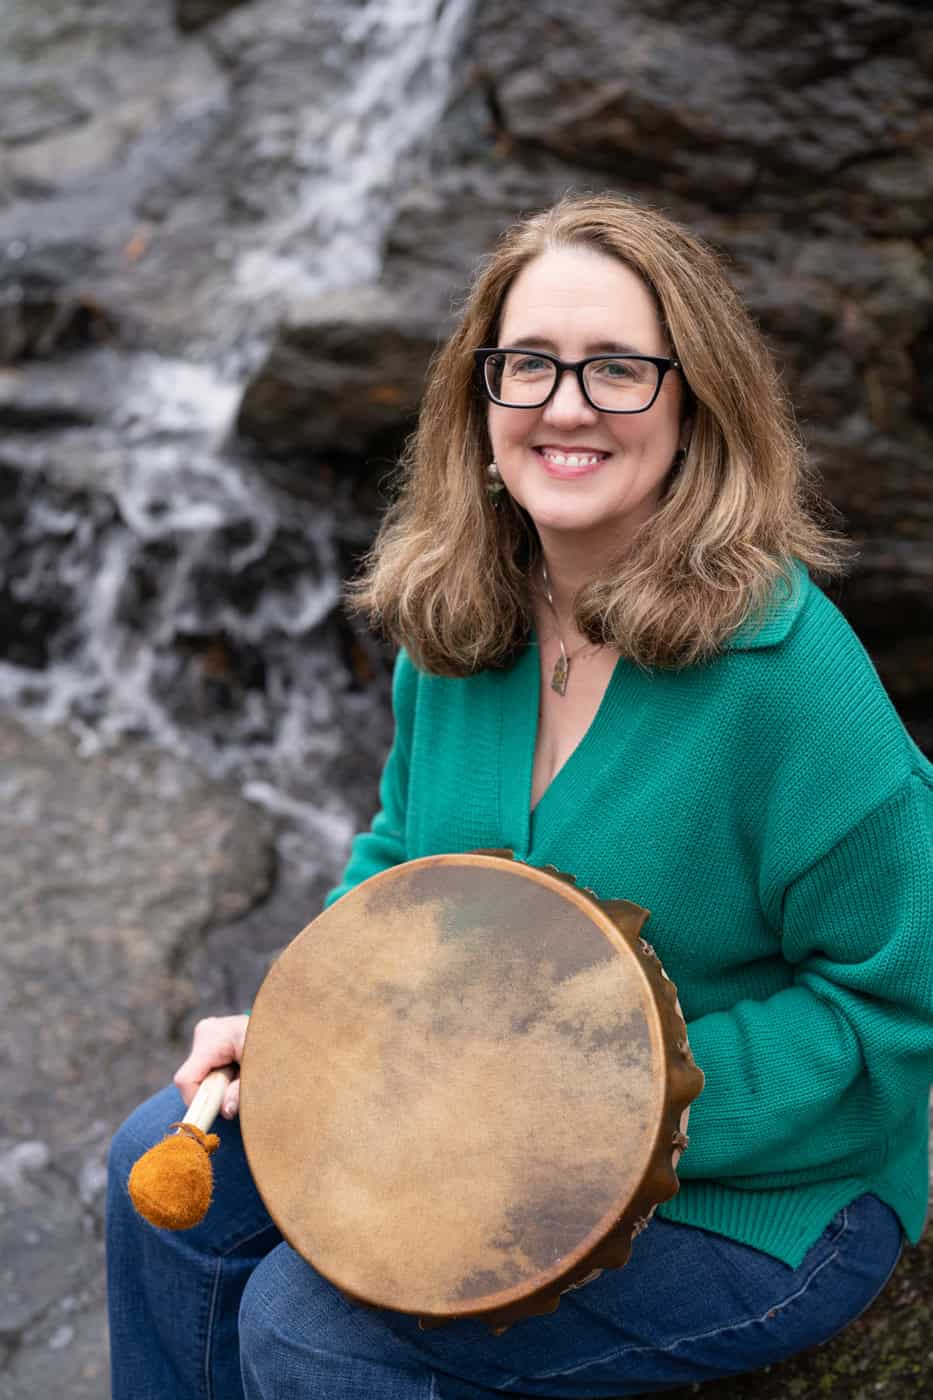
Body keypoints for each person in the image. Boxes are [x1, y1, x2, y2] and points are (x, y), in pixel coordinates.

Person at [107, 193, 933, 1399]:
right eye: (531, 364)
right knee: (158, 1171)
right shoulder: (461, 611)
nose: (566, 404)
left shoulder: (794, 682)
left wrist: (591, 1095)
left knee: (310, 1326)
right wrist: (310, 1019)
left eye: (618, 370)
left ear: (695, 402)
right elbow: (401, 855)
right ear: (479, 393)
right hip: (478, 1112)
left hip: (768, 1193)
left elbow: (893, 1008)